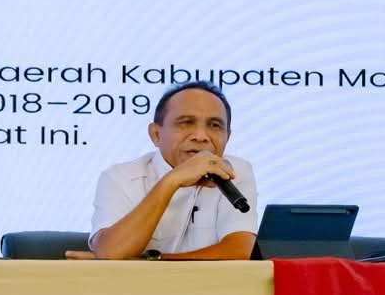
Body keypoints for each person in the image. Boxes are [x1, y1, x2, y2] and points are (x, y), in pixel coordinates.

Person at [89, 80, 259, 260]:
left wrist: (151, 260)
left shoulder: (235, 172)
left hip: (208, 281)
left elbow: (240, 251)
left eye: (215, 125)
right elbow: (110, 252)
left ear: (227, 137)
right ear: (156, 134)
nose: (201, 136)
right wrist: (171, 181)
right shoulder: (120, 177)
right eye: (186, 123)